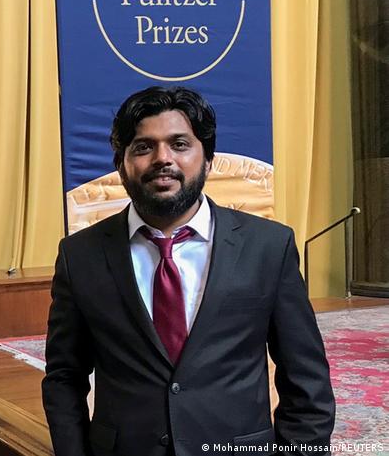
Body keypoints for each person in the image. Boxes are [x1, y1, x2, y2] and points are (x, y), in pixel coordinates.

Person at [43, 86, 335, 456]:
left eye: (180, 144)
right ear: (121, 164)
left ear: (208, 159)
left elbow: (306, 377)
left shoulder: (268, 247)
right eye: (143, 147)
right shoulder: (79, 255)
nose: (163, 158)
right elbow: (64, 377)